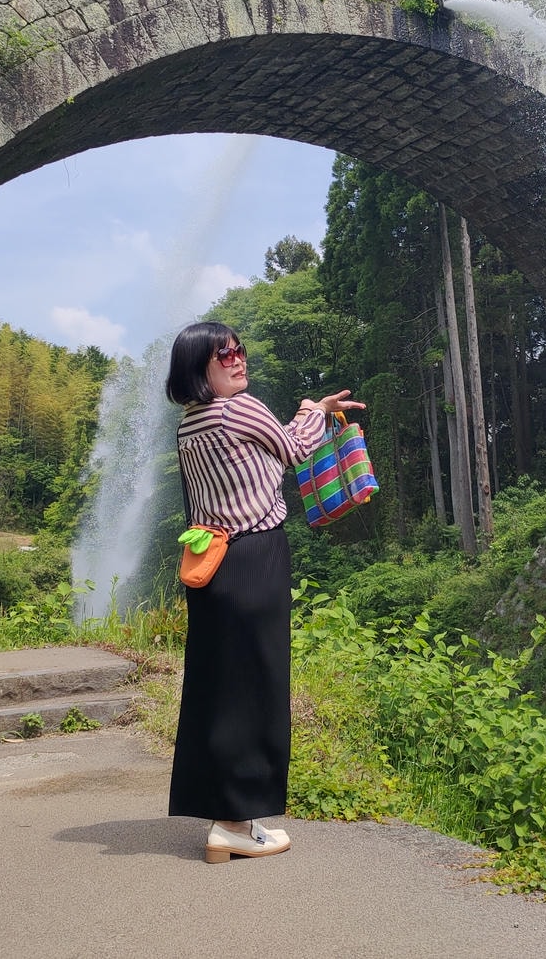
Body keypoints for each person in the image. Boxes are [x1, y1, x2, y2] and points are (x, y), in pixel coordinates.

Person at [164, 321, 364, 863]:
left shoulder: (189, 424)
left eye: (238, 350)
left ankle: (225, 815)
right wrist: (312, 409)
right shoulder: (241, 409)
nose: (237, 359)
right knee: (258, 685)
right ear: (197, 368)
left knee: (217, 687)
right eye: (221, 354)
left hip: (209, 562)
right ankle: (235, 824)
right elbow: (297, 449)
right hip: (254, 556)